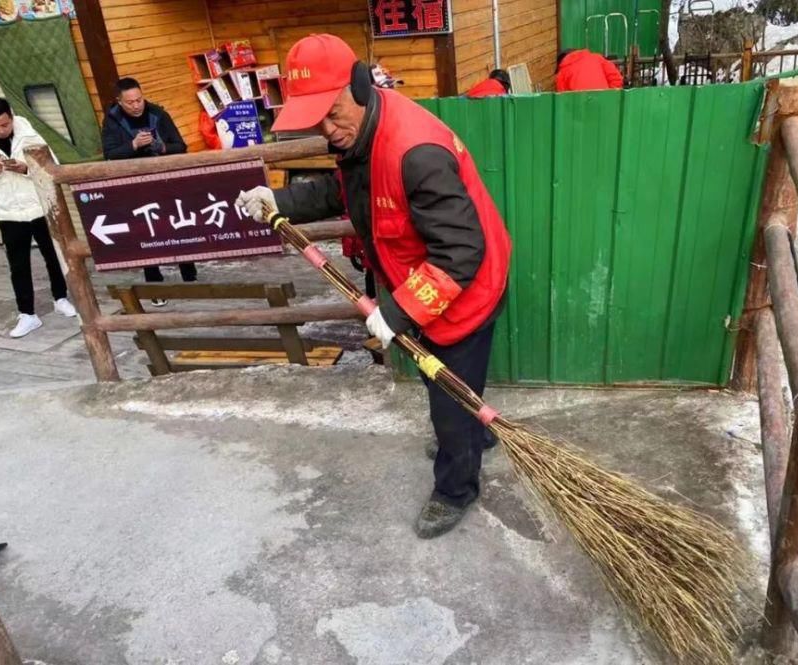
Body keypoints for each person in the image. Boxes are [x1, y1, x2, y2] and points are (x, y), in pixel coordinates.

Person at [236, 34, 512, 539]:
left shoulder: (415, 152)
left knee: (447, 404)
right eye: (313, 118)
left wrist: (400, 311)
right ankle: (471, 435)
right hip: (425, 283)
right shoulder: (361, 132)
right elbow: (341, 192)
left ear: (360, 86)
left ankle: (457, 488)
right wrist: (277, 201)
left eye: (332, 113)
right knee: (446, 388)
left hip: (464, 292)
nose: (326, 129)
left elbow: (461, 253)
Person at [0, 97, 77, 339]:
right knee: (18, 265)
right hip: (8, 212)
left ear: (11, 117)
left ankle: (61, 298)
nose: (2, 130)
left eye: (6, 124)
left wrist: (26, 169)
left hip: (38, 207)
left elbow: (51, 165)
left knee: (53, 255)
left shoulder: (29, 133)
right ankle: (27, 314)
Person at [101, 77, 197, 305]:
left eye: (139, 99)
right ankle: (155, 284)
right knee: (145, 233)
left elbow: (180, 146)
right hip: (134, 187)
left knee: (177, 227)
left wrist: (161, 146)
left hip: (165, 182)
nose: (136, 105)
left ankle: (190, 277)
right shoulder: (112, 121)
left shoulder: (158, 113)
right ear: (119, 102)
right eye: (130, 102)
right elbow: (110, 154)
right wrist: (133, 145)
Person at [555, 49, 624, 92]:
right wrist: (608, 96)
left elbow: (563, 98)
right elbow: (616, 79)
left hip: (580, 109)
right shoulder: (597, 58)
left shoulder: (562, 72)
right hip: (603, 104)